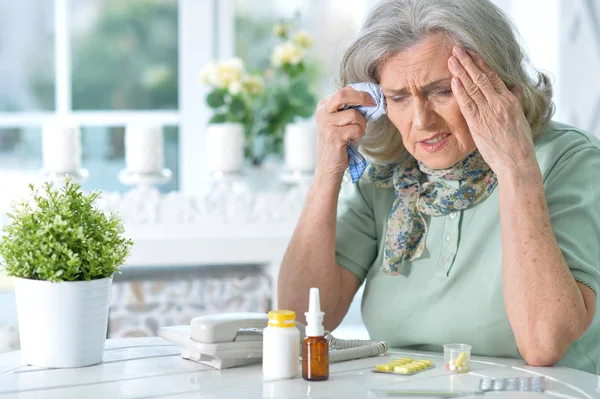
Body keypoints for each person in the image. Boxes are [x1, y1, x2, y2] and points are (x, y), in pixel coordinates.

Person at [277, 0, 600, 374]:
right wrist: (327, 172)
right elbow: (301, 320)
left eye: (442, 92)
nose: (421, 121)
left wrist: (516, 166)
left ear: (496, 82)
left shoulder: (571, 160)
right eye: (398, 98)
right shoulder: (386, 175)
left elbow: (544, 342)